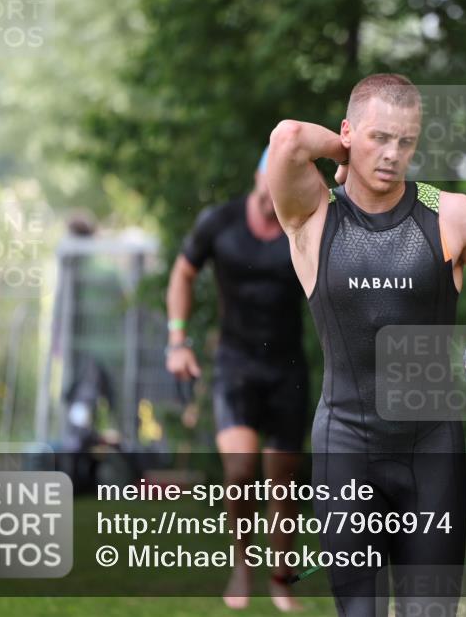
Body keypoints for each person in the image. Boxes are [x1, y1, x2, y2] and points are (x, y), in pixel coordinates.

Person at [267, 74, 466, 616]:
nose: (393, 154)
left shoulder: (451, 215)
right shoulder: (312, 214)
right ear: (348, 133)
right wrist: (344, 154)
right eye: (378, 137)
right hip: (345, 445)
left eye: (406, 141)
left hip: (432, 451)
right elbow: (287, 138)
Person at [165, 148, 310, 612]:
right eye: (272, 175)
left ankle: (280, 576)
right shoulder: (220, 222)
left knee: (283, 482)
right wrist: (177, 340)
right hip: (234, 365)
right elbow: (182, 274)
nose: (276, 188)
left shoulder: (304, 228)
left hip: (287, 368)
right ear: (258, 173)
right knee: (240, 469)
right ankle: (243, 563)